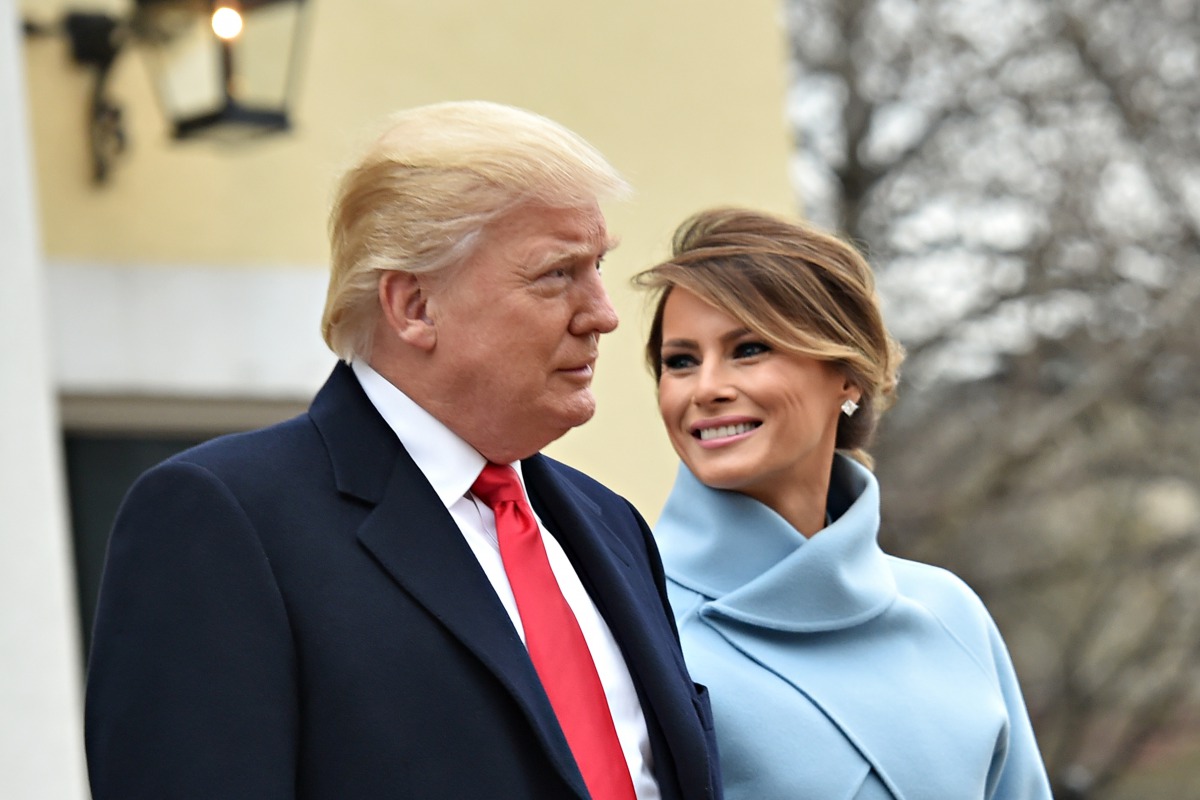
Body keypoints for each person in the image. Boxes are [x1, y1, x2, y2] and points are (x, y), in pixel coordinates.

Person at [85, 101, 720, 800]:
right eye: (556, 274)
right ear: (414, 306)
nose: (602, 312)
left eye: (597, 266)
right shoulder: (223, 520)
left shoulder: (612, 525)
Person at [633, 207, 1053, 799]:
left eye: (748, 349)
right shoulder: (631, 622)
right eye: (681, 361)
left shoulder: (950, 613)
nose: (706, 389)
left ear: (846, 375)